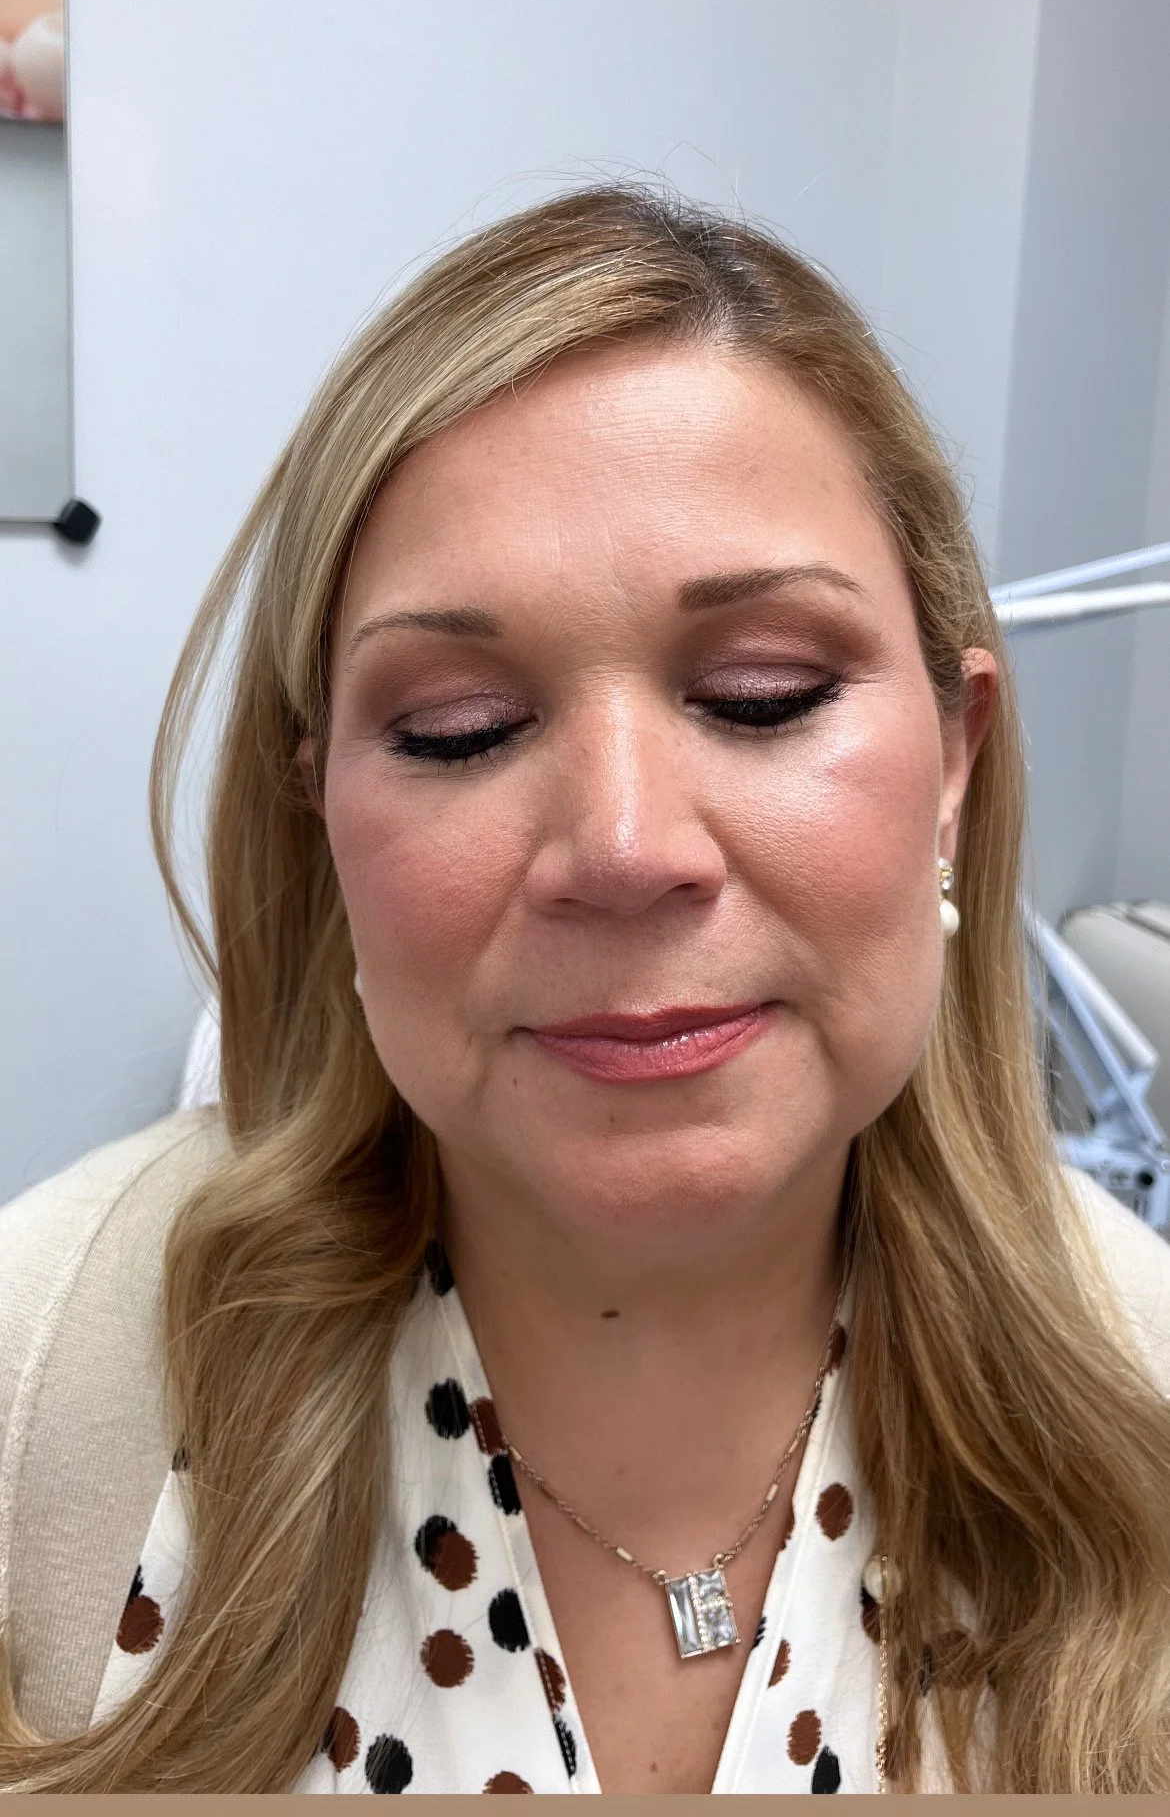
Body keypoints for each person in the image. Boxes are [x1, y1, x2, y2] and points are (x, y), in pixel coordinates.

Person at [1, 186, 1168, 1795]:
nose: (623, 848)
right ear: (320, 819)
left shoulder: (1146, 1401)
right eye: (460, 727)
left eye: (760, 697)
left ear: (953, 764)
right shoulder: (40, 1388)